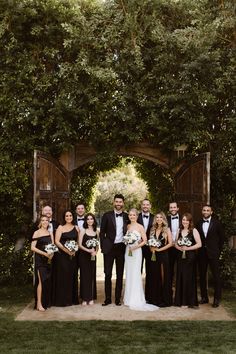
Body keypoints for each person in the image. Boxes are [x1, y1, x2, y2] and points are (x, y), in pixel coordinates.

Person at [124, 209, 158, 311]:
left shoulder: (140, 227)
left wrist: (136, 246)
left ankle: (136, 298)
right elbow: (126, 238)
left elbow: (145, 241)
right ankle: (128, 298)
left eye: (133, 215)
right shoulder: (128, 226)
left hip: (137, 251)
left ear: (137, 216)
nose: (132, 216)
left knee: (135, 273)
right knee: (129, 273)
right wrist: (128, 243)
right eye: (130, 215)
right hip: (128, 251)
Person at [100, 194, 129, 306]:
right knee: (107, 274)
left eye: (120, 202)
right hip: (109, 249)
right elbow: (102, 232)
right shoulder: (107, 215)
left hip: (121, 248)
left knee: (120, 274)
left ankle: (117, 298)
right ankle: (107, 298)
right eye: (116, 201)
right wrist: (103, 246)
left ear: (123, 203)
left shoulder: (126, 216)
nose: (118, 204)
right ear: (113, 202)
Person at [196, 205, 224, 308]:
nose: (206, 212)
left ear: (211, 212)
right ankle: (204, 298)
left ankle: (217, 299)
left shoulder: (217, 223)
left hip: (214, 253)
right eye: (204, 210)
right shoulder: (198, 223)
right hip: (202, 254)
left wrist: (217, 251)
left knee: (216, 276)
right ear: (202, 211)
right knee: (202, 276)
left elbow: (222, 239)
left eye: (208, 210)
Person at [52, 210, 80, 306]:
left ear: (73, 216)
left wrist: (74, 250)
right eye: (67, 216)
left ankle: (72, 299)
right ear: (64, 217)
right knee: (63, 277)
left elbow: (78, 242)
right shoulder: (60, 227)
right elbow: (57, 241)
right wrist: (67, 250)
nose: (69, 217)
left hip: (73, 256)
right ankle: (63, 300)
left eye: (70, 215)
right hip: (62, 256)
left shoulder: (76, 228)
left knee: (72, 276)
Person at [174, 213, 202, 308]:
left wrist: (188, 248)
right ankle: (180, 301)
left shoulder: (194, 230)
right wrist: (180, 248)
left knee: (188, 278)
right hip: (180, 257)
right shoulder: (179, 230)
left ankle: (188, 301)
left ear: (190, 221)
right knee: (180, 277)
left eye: (186, 220)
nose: (184, 221)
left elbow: (199, 244)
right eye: (183, 220)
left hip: (190, 257)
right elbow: (175, 243)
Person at [148, 212, 173, 307]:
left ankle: (164, 299)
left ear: (163, 219)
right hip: (154, 256)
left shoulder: (167, 229)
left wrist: (159, 249)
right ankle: (155, 298)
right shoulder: (152, 229)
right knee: (155, 276)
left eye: (160, 217)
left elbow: (170, 243)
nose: (159, 219)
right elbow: (150, 242)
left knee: (163, 276)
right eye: (157, 217)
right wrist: (151, 248)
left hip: (163, 255)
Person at [31, 215, 54, 311]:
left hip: (48, 261)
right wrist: (44, 253)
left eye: (46, 220)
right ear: (40, 222)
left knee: (46, 281)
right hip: (40, 260)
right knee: (40, 282)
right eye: (43, 220)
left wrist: (51, 254)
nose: (45, 222)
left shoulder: (50, 233)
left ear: (48, 222)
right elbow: (32, 247)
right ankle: (39, 304)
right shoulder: (36, 232)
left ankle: (45, 302)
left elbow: (52, 247)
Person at [79, 213, 99, 306]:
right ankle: (84, 298)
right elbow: (79, 245)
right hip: (84, 256)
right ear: (86, 221)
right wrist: (88, 250)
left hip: (93, 256)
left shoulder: (96, 231)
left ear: (94, 220)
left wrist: (96, 252)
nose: (90, 220)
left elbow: (98, 245)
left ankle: (90, 297)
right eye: (88, 219)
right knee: (84, 276)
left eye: (91, 219)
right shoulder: (83, 231)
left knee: (91, 276)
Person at [137, 199, 154, 302]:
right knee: (137, 270)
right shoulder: (136, 217)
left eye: (147, 204)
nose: (145, 206)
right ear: (141, 205)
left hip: (150, 248)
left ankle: (148, 295)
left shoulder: (154, 217)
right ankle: (137, 295)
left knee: (150, 271)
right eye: (143, 204)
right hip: (138, 247)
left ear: (150, 206)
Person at [167, 201, 181, 301]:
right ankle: (169, 295)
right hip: (169, 248)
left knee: (180, 271)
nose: (172, 209)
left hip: (181, 248)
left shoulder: (184, 219)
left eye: (174, 207)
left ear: (177, 208)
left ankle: (179, 295)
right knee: (170, 271)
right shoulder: (166, 220)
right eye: (171, 207)